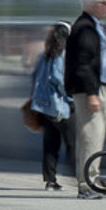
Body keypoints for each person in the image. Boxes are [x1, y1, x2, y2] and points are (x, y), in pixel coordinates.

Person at [65, 0, 106, 200]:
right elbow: (83, 64)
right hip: (91, 90)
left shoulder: (92, 26)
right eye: (104, 3)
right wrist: (91, 94)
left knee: (95, 136)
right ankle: (87, 184)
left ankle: (91, 180)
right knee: (91, 138)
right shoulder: (84, 28)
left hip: (97, 87)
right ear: (93, 5)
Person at [30, 22, 73, 191]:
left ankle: (50, 180)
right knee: (73, 142)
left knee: (50, 144)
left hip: (44, 106)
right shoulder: (61, 55)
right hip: (59, 105)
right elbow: (58, 78)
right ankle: (80, 177)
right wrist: (70, 95)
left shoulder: (45, 54)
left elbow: (35, 77)